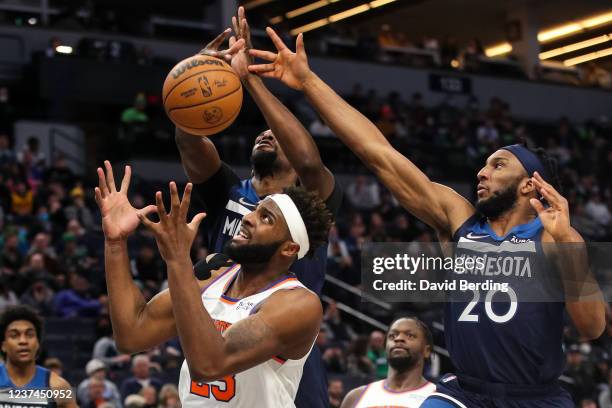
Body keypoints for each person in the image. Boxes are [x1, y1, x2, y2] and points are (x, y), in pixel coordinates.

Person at [247, 28, 606, 407]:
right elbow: (377, 153)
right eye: (483, 165)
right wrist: (307, 80)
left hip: (536, 398)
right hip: (464, 393)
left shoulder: (555, 239)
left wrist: (568, 244)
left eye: (497, 165)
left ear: (529, 186)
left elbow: (592, 327)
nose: (482, 173)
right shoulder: (458, 221)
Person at [174, 8, 341, 408]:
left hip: (282, 336)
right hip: (223, 327)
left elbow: (309, 161)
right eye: (262, 131)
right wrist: (192, 78)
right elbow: (189, 142)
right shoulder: (230, 189)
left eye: (277, 133)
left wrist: (249, 81)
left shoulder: (308, 201)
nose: (266, 132)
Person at [96, 161, 332, 407]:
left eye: (266, 218)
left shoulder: (298, 304)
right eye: (256, 210)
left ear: (289, 248)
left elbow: (210, 365)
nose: (249, 218)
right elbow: (131, 335)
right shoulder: (214, 274)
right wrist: (115, 244)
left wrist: (177, 260)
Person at [341, 318, 436, 407]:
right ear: (385, 348)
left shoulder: (437, 397)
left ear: (426, 350)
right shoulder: (355, 397)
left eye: (410, 335)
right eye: (392, 336)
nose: (398, 339)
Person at [0, 305, 76, 407]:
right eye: (14, 335)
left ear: (38, 343)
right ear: (3, 345)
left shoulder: (58, 387)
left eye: (30, 335)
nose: (23, 341)